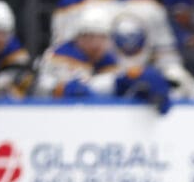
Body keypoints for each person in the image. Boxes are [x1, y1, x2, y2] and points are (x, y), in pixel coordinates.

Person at [50, 0, 194, 98]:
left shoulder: (149, 6)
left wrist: (174, 80)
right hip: (98, 87)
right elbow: (65, 57)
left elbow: (166, 58)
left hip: (143, 89)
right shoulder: (75, 3)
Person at [35, 7, 172, 114]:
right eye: (90, 37)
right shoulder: (62, 56)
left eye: (101, 37)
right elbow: (42, 90)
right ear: (78, 38)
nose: (96, 44)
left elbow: (102, 87)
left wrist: (133, 81)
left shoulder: (106, 60)